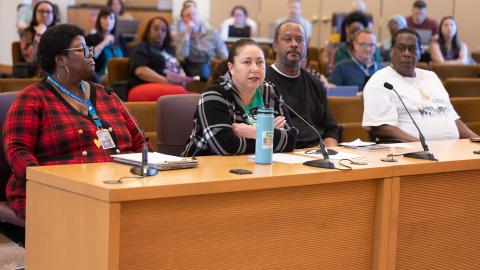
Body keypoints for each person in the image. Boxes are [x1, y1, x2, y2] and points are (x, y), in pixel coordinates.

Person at [3, 24, 145, 219]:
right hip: (60, 191)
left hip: (119, 186)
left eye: (89, 48)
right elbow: (17, 150)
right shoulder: (32, 98)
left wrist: (148, 172)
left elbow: (141, 142)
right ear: (60, 59)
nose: (90, 53)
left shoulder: (107, 94)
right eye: (81, 49)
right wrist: (44, 182)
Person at [182, 38, 298, 156]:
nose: (255, 69)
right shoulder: (214, 95)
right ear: (231, 67)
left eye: (260, 62)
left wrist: (255, 132)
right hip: (205, 168)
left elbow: (291, 140)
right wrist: (269, 134)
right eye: (247, 62)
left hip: (254, 166)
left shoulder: (270, 92)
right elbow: (225, 146)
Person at [362, 28, 478, 142]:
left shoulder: (431, 77)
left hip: (454, 150)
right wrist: (422, 146)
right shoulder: (380, 81)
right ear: (391, 51)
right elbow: (381, 128)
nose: (406, 54)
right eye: (401, 49)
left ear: (420, 53)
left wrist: (477, 139)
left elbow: (453, 119)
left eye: (412, 49)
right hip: (410, 154)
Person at [265, 21, 339, 148]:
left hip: (317, 154)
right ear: (275, 46)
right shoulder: (262, 81)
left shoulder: (315, 83)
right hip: (282, 152)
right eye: (287, 39)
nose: (294, 44)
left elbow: (330, 129)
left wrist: (331, 152)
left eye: (300, 40)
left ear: (306, 46)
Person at [128, 17, 193, 92]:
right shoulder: (141, 48)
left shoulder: (169, 50)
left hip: (170, 86)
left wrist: (183, 79)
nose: (159, 32)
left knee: (195, 97)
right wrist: (167, 82)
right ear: (148, 31)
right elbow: (140, 71)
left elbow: (178, 68)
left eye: (163, 30)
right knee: (180, 93)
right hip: (144, 86)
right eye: (156, 29)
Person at [176, 5, 228, 81]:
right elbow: (181, 56)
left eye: (194, 14)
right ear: (183, 20)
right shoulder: (182, 37)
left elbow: (224, 56)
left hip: (214, 68)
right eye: (188, 15)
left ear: (198, 16)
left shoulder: (212, 33)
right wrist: (187, 34)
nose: (191, 17)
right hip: (194, 70)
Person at [86, 7, 128, 80]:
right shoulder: (91, 38)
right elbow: (89, 57)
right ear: (99, 20)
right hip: (100, 77)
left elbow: (127, 57)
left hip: (120, 75)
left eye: (111, 18)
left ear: (115, 21)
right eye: (105, 18)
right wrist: (105, 42)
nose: (108, 21)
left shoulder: (120, 38)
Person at [19, 0, 58, 76]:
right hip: (37, 74)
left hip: (58, 72)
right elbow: (32, 60)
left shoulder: (59, 32)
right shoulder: (28, 33)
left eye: (48, 11)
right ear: (35, 14)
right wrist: (39, 35)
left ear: (53, 15)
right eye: (41, 11)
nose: (44, 14)